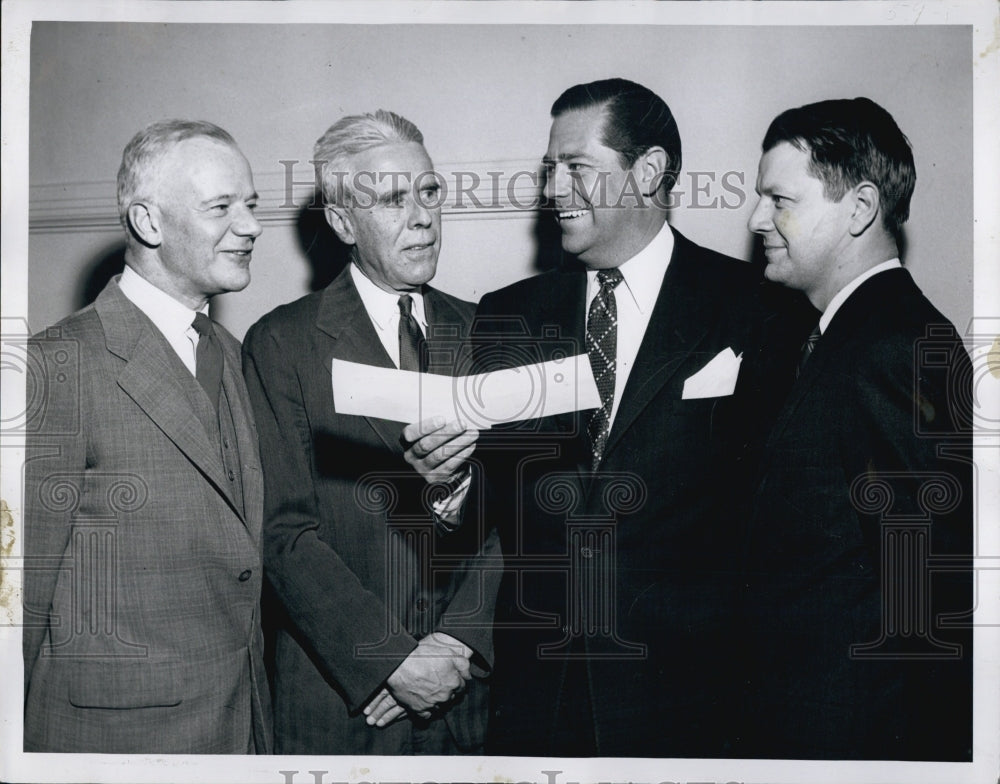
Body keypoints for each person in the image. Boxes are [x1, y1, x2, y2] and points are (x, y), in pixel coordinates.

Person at [474, 78, 766, 757]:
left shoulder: (754, 308)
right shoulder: (508, 315)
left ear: (649, 171)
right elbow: (487, 505)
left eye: (576, 167)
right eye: (550, 169)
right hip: (539, 699)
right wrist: (447, 482)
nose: (553, 190)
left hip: (689, 700)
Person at [242, 110, 499, 754]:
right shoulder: (282, 343)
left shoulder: (488, 330)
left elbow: (522, 512)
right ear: (342, 222)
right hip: (343, 706)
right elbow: (282, 532)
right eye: (391, 199)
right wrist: (389, 660)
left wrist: (459, 640)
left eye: (429, 192)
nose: (422, 217)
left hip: (467, 704)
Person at [22, 120, 271, 753]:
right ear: (149, 222)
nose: (250, 226)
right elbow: (15, 604)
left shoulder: (229, 352)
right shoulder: (56, 365)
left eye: (250, 204)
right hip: (117, 743)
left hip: (239, 732)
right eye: (221, 207)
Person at [737, 97, 973, 760]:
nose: (756, 220)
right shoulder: (838, 337)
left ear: (861, 208)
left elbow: (928, 604)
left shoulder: (894, 348)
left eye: (780, 200)